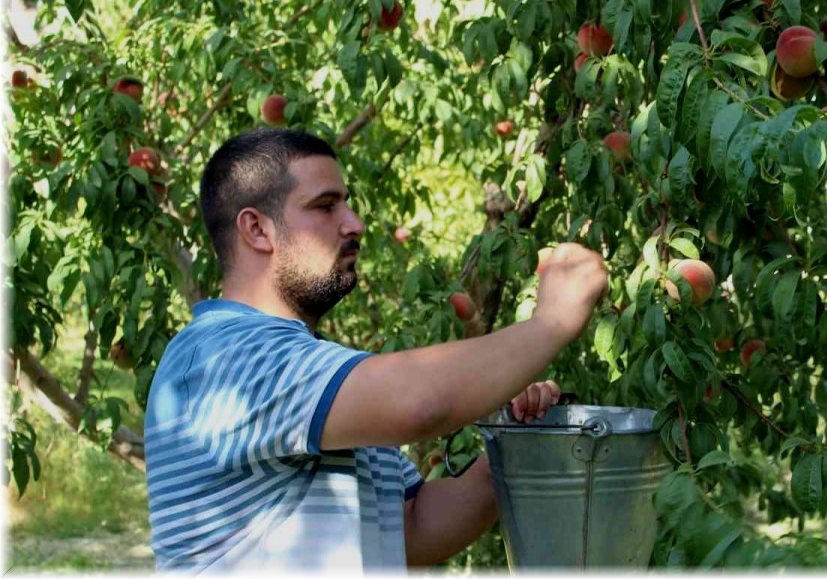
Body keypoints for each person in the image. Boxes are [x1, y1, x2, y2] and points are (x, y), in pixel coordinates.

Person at [144, 128, 609, 573]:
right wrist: (551, 322)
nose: (355, 224)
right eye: (326, 206)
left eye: (347, 204)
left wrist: (512, 447)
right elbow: (420, 402)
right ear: (257, 229)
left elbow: (413, 527)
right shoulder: (221, 357)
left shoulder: (319, 379)